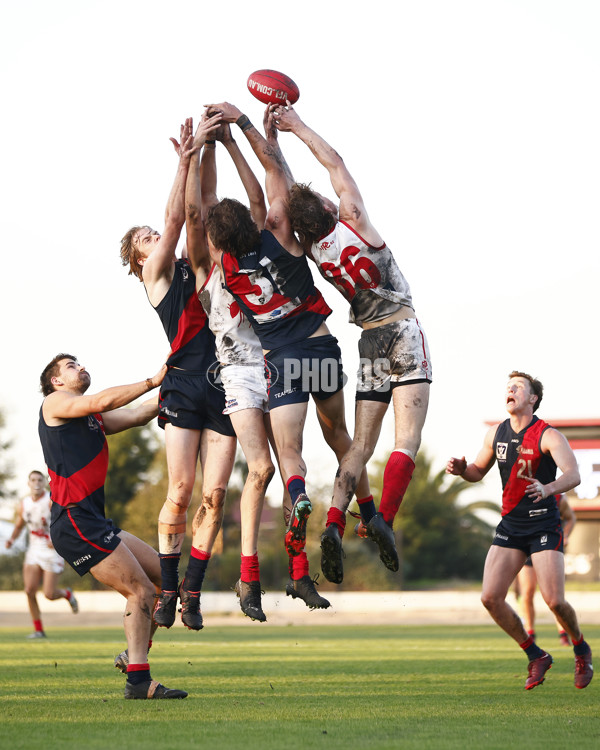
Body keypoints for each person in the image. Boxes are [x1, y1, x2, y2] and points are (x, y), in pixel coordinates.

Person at [203, 101, 371, 605]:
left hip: (280, 359)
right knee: (340, 434)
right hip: (320, 346)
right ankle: (365, 513)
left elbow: (205, 209)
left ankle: (299, 499)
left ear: (219, 240)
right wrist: (240, 129)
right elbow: (270, 176)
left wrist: (204, 147)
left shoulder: (226, 268)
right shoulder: (279, 232)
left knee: (290, 456)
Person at [271, 103, 431, 583]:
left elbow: (296, 202)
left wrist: (273, 148)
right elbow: (334, 162)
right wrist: (296, 126)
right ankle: (383, 520)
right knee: (406, 439)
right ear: (326, 208)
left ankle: (336, 521)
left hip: (367, 342)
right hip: (402, 330)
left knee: (360, 443)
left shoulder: (314, 250)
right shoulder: (352, 219)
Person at [120, 114, 238, 631]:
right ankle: (168, 589)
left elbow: (197, 213)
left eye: (149, 231)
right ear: (137, 258)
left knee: (215, 496)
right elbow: (173, 221)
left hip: (228, 379)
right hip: (185, 383)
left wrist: (202, 156)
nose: (151, 233)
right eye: (141, 237)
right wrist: (184, 159)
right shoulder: (157, 272)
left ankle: (191, 592)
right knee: (181, 490)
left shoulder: (195, 259)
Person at [38, 353, 187, 699]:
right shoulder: (54, 402)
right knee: (142, 591)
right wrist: (152, 379)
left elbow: (137, 414)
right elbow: (102, 399)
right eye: (71, 365)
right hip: (74, 521)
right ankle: (138, 681)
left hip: (94, 520)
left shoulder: (92, 417)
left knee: (166, 585)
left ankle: (134, 657)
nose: (81, 367)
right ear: (56, 381)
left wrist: (177, 383)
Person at [446, 370, 593, 690]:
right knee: (490, 598)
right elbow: (476, 472)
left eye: (517, 387)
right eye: (508, 387)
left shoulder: (549, 435)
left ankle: (580, 648)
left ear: (532, 399)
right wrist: (461, 470)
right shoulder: (495, 434)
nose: (510, 390)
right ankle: (536, 655)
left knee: (554, 601)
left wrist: (548, 487)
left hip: (544, 523)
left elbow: (574, 475)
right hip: (511, 525)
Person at [184, 117, 274, 621]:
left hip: (278, 369)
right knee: (259, 469)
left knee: (283, 472)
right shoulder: (204, 270)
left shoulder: (256, 254)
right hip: (238, 375)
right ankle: (249, 578)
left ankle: (286, 568)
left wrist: (232, 139)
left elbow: (255, 203)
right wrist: (201, 151)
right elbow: (200, 212)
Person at [5, 470, 78, 639]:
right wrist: (11, 540)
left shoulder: (50, 501)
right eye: (33, 480)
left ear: (45, 482)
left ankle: (67, 594)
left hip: (52, 550)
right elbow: (19, 524)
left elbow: (66, 520)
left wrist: (57, 539)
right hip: (34, 550)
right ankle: (38, 630)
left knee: (49, 594)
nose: (36, 482)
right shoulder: (24, 503)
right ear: (28, 483)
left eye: (40, 479)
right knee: (29, 590)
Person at [515, 494, 576, 645]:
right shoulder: (520, 495)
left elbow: (571, 518)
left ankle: (563, 633)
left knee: (553, 595)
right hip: (527, 548)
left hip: (549, 547)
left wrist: (565, 535)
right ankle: (530, 633)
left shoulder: (558, 498)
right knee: (527, 592)